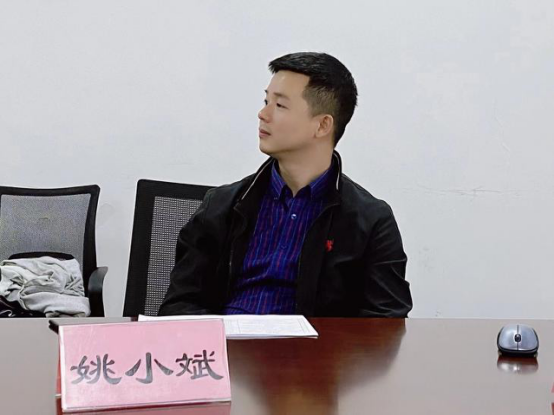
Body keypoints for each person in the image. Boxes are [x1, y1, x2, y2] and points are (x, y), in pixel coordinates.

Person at [159, 52, 412, 317]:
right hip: (227, 340)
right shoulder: (221, 206)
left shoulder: (370, 221)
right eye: (266, 101)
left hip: (315, 344)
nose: (263, 114)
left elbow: (386, 323)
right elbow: (178, 305)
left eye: (280, 105)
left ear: (322, 125)